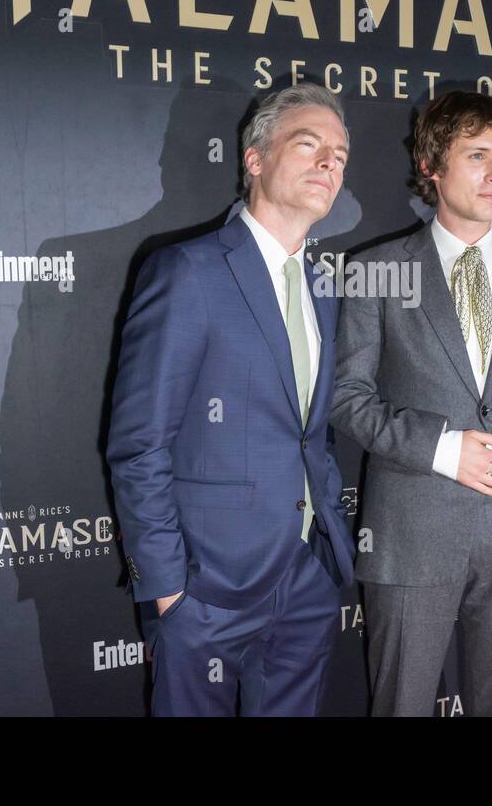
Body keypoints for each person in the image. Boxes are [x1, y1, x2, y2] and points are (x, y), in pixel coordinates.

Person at [106, 84, 355, 716]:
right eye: (310, 145)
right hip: (206, 589)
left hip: (306, 579)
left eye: (341, 154)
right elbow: (140, 445)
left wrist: (325, 557)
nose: (330, 162)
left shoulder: (324, 289)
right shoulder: (187, 271)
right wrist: (168, 591)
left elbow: (310, 434)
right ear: (254, 158)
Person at [332, 90, 492, 716]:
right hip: (413, 531)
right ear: (433, 167)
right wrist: (442, 451)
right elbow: (346, 397)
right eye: (477, 155)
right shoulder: (377, 270)